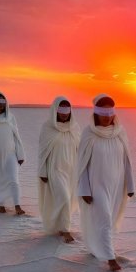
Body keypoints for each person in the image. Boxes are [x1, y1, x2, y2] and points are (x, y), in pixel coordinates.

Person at [77, 94, 134, 271]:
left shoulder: (120, 132)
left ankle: (97, 246)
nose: (107, 116)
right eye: (103, 112)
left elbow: (127, 160)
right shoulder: (88, 134)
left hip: (116, 185)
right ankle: (110, 258)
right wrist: (84, 189)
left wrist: (130, 185)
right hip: (96, 185)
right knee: (104, 219)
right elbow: (82, 164)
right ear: (96, 113)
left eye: (110, 112)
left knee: (109, 218)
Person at [38, 96, 81, 243]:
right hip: (54, 168)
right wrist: (42, 171)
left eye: (67, 110)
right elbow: (42, 152)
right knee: (63, 197)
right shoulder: (48, 128)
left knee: (67, 199)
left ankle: (59, 224)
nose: (64, 113)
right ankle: (65, 230)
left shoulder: (74, 128)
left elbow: (80, 150)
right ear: (55, 110)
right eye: (61, 110)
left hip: (71, 170)